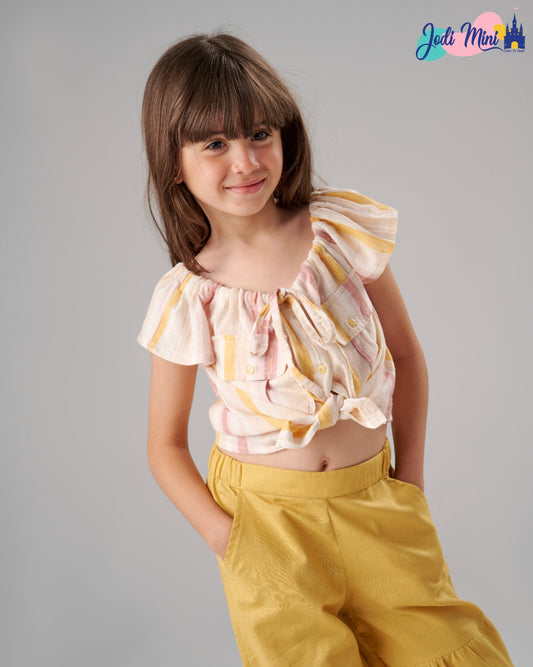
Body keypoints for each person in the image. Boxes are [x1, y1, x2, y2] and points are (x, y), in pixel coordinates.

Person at [136, 32, 514, 666]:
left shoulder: (337, 232)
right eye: (215, 144)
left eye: (260, 133)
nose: (245, 161)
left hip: (377, 503)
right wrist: (227, 537)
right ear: (175, 163)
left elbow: (407, 357)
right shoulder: (189, 295)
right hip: (268, 526)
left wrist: (410, 481)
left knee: (449, 649)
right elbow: (164, 446)